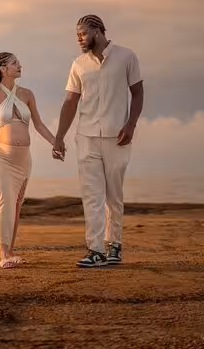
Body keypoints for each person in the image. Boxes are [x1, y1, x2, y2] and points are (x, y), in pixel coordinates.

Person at [53, 15, 144, 267]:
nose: (79, 38)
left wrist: (131, 125)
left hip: (118, 137)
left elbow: (137, 93)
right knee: (91, 196)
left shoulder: (127, 56)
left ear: (98, 30)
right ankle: (95, 249)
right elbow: (70, 102)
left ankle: (114, 244)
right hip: (86, 137)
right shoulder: (79, 64)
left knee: (113, 195)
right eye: (77, 35)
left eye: (82, 33)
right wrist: (59, 137)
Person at [0, 52, 58, 269]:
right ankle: (3, 255)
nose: (20, 65)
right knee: (4, 202)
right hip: (1, 157)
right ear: (3, 69)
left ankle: (11, 251)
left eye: (19, 62)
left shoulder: (27, 94)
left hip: (24, 159)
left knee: (16, 205)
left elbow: (39, 125)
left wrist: (56, 142)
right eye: (15, 63)